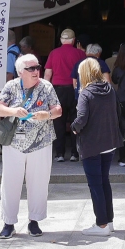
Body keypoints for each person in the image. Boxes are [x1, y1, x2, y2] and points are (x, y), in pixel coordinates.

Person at [0, 53, 62, 239]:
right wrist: (13, 111)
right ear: (21, 72)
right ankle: (8, 222)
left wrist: (46, 114)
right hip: (14, 143)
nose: (36, 71)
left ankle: (34, 221)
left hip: (41, 141)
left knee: (39, 183)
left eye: (37, 67)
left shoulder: (46, 86)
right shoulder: (11, 86)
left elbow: (58, 109)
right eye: (31, 68)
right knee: (10, 182)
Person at [72, 57, 123, 236]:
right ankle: (109, 221)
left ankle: (101, 225)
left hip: (92, 144)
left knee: (95, 185)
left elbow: (81, 119)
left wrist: (73, 127)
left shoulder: (85, 93)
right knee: (104, 182)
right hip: (109, 142)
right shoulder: (109, 89)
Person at [43, 28, 85, 162]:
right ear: (73, 41)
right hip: (75, 90)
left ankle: (59, 154)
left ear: (61, 40)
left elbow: (47, 74)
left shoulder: (53, 53)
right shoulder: (80, 54)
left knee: (58, 122)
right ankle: (74, 153)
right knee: (75, 120)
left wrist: (44, 92)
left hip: (57, 90)